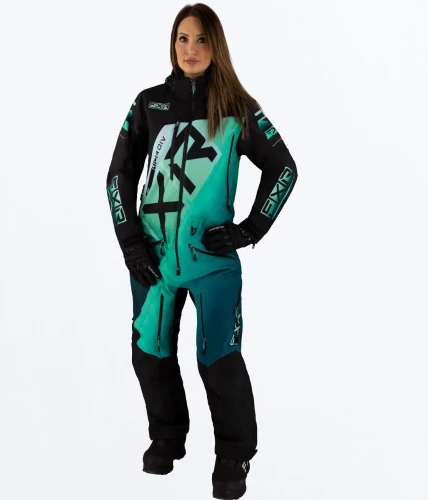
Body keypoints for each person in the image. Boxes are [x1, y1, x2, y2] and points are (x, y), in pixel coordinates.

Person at [106, 3, 298, 499]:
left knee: (219, 359)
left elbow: (284, 168)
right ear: (172, 44)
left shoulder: (237, 107)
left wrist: (249, 229)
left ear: (217, 46)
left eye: (201, 40)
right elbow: (118, 176)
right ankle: (167, 438)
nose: (190, 50)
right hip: (152, 262)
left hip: (212, 265)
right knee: (149, 354)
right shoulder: (149, 103)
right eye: (182, 39)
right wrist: (131, 242)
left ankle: (234, 455)